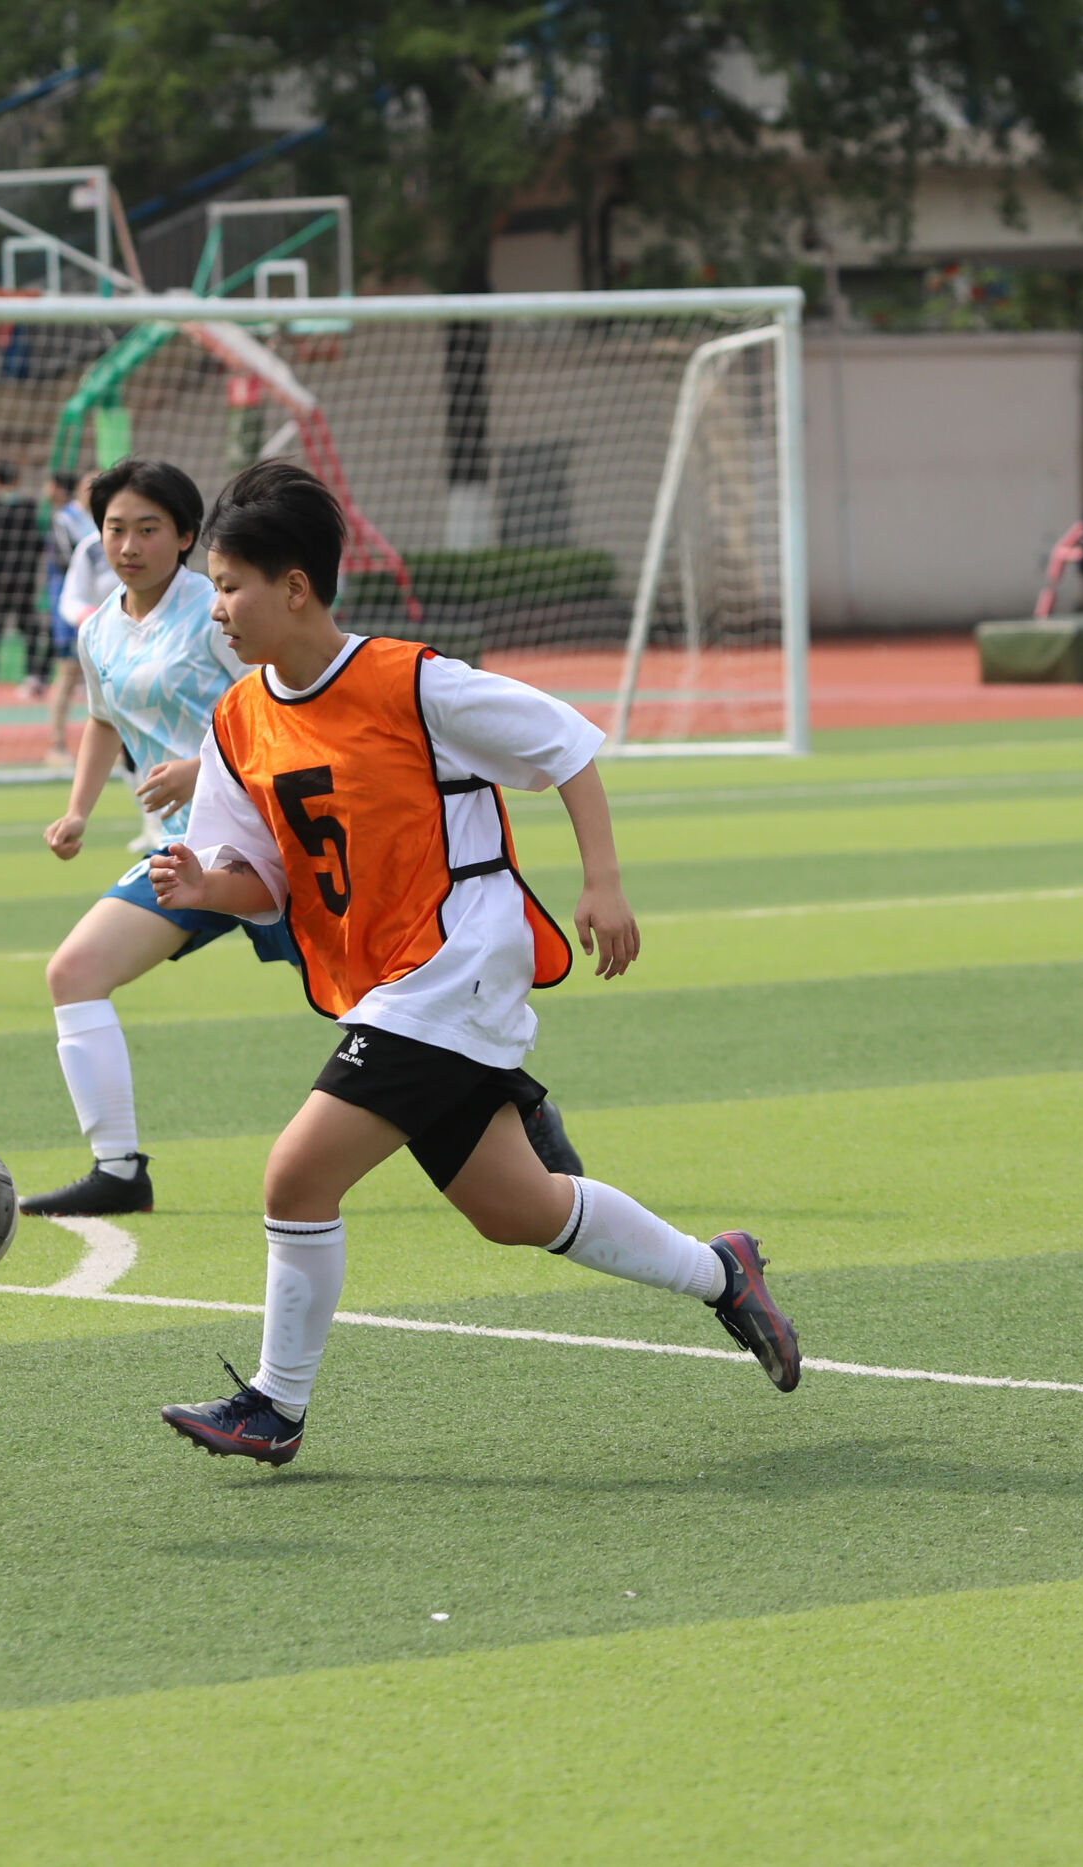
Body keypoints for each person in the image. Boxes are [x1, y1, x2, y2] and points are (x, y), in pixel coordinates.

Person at [146, 462, 798, 1467]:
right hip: (390, 986)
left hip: (455, 965)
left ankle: (274, 1407)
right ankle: (724, 1273)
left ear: (295, 587)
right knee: (515, 1210)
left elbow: (564, 745)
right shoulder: (236, 721)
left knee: (295, 1175)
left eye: (229, 585)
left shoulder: (412, 683)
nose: (216, 607)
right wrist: (205, 884)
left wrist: (602, 882)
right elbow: (264, 879)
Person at [21, 458, 302, 1218]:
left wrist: (202, 768)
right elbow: (102, 720)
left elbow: (284, 707)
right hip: (184, 851)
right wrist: (78, 811)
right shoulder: (98, 631)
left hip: (278, 842)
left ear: (185, 536)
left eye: (149, 528)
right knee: (74, 971)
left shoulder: (218, 610)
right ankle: (118, 1171)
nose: (129, 545)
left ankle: (518, 1115)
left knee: (372, 1003)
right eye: (116, 529)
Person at [39, 468, 99, 764]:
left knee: (104, 678)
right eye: (90, 486)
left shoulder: (107, 521)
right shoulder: (65, 519)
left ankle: (115, 748)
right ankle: (57, 744)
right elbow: (67, 560)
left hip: (103, 608)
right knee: (68, 672)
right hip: (72, 609)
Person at [0, 461, 47, 701]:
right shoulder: (30, 508)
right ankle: (33, 677)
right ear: (17, 480)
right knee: (29, 628)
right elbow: (38, 543)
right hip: (24, 580)